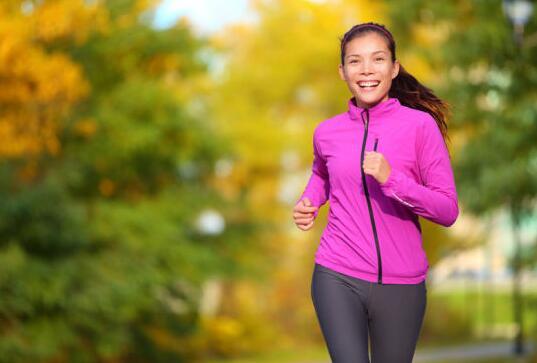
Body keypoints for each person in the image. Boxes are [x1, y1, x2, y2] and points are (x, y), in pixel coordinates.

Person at [293, 22, 459, 363]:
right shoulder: (326, 132)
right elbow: (321, 173)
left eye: (378, 59)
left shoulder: (419, 127)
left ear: (394, 68)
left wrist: (392, 179)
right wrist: (309, 201)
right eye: (355, 61)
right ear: (342, 71)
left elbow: (447, 210)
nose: (366, 70)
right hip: (336, 272)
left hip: (401, 284)